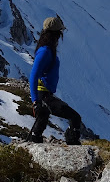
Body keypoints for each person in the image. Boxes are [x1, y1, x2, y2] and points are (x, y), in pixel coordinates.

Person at [28, 15, 82, 145]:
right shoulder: (46, 51)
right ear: (56, 34)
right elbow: (33, 76)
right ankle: (73, 145)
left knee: (41, 123)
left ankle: (33, 143)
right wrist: (36, 101)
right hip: (44, 96)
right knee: (75, 117)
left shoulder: (46, 49)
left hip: (44, 95)